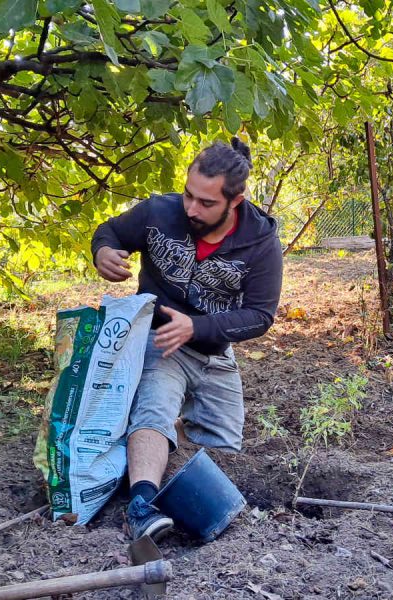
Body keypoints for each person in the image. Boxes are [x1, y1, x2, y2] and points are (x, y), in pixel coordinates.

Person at [91, 138, 283, 542]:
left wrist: (197, 328)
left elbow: (261, 316)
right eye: (188, 195)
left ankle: (156, 445)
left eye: (206, 203)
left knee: (223, 451)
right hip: (160, 341)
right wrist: (104, 251)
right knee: (154, 406)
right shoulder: (159, 212)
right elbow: (109, 231)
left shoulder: (261, 242)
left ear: (236, 201)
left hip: (213, 351)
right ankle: (140, 506)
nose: (192, 209)